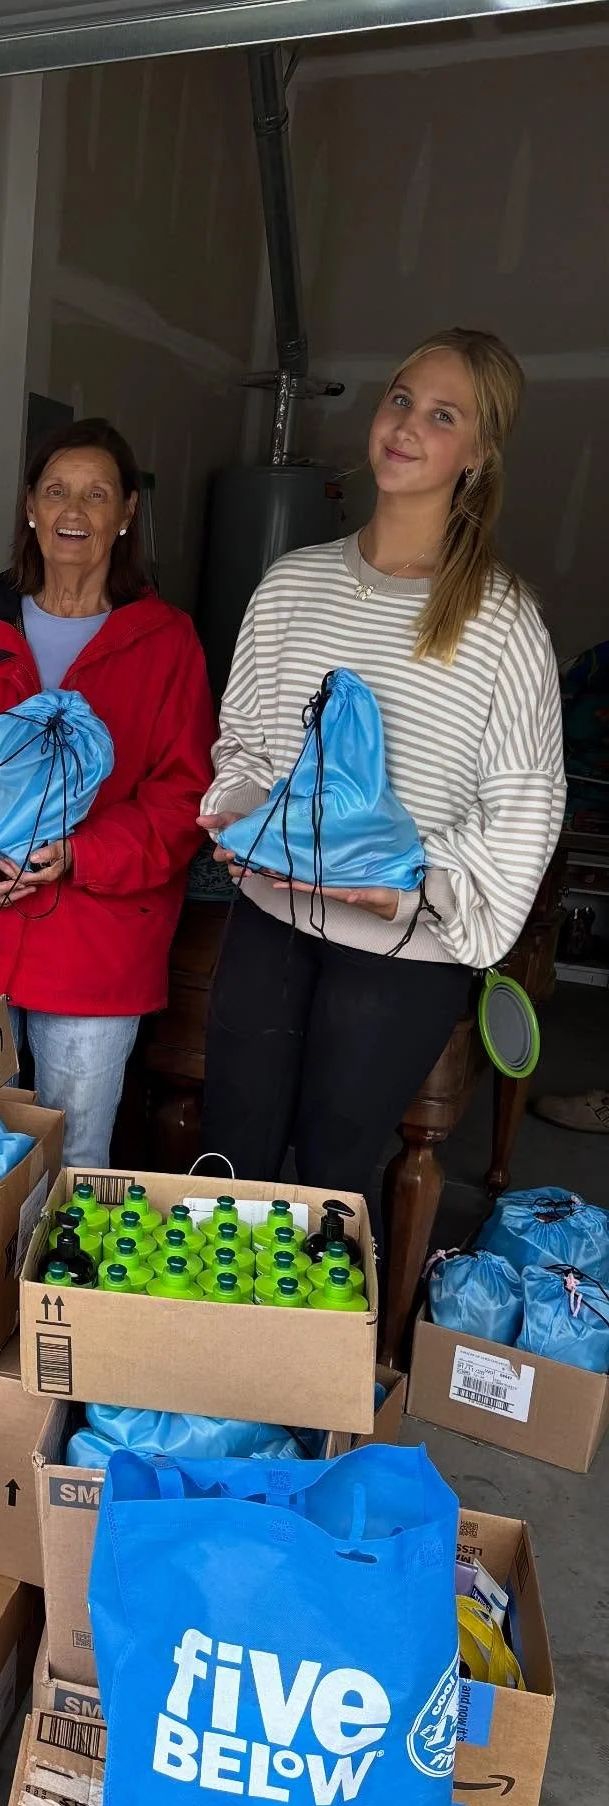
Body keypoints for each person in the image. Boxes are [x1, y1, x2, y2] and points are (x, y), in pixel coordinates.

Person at [199, 328, 566, 1205]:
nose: (406, 426)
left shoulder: (502, 623)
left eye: (443, 416)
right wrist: (238, 815)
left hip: (399, 950)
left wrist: (406, 891)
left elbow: (522, 806)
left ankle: (307, 1345)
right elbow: (245, 739)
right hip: (270, 917)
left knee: (335, 1180)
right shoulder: (292, 584)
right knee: (228, 1162)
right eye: (401, 398)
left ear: (477, 454)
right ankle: (206, 1341)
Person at [0, 418, 215, 1167]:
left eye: (96, 495)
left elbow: (182, 793)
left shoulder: (165, 642)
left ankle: (49, 1290)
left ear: (127, 513)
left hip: (93, 944)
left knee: (74, 1152)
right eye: (57, 490)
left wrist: (81, 853)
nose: (73, 511)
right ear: (30, 505)